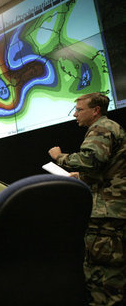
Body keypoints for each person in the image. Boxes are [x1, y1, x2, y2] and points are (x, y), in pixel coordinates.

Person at [48, 92, 125, 306]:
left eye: (79, 110)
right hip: (113, 210)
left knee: (102, 277)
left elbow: (90, 160)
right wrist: (79, 176)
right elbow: (107, 168)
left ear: (96, 110)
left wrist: (59, 157)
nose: (75, 114)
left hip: (106, 213)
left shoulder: (102, 128)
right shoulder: (110, 127)